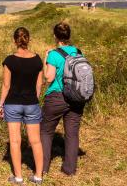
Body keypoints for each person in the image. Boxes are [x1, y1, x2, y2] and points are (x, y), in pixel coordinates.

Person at [0, 27, 44, 185]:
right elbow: (39, 85)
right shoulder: (37, 59)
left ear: (14, 40)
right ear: (28, 39)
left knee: (15, 141)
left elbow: (6, 85)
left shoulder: (9, 60)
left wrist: (0, 104)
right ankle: (38, 176)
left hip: (12, 104)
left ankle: (18, 177)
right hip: (32, 103)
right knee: (36, 141)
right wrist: (33, 99)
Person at [41, 22, 85, 176]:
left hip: (57, 97)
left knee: (46, 132)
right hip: (76, 97)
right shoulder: (78, 52)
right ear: (69, 36)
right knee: (72, 134)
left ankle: (43, 168)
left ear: (55, 36)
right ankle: (70, 169)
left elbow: (48, 78)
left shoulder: (54, 54)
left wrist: (45, 60)